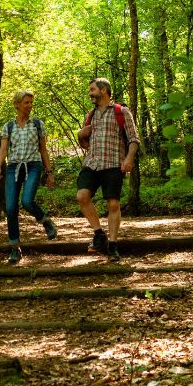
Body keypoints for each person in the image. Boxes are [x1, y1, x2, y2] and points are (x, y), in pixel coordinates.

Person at [75, 78, 140, 261]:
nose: (90, 94)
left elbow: (134, 139)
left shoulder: (121, 112)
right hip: (91, 163)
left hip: (113, 163)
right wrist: (80, 135)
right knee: (82, 196)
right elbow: (85, 144)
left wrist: (128, 159)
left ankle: (112, 245)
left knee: (113, 204)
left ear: (103, 90)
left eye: (92, 90)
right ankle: (99, 234)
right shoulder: (91, 115)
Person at [0, 89, 57, 264]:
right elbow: (4, 150)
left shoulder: (37, 124)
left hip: (33, 166)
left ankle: (46, 221)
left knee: (27, 201)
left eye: (31, 102)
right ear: (17, 104)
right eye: (26, 102)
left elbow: (43, 150)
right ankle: (15, 248)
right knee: (11, 208)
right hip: (14, 167)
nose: (29, 105)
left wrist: (49, 172)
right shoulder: (8, 126)